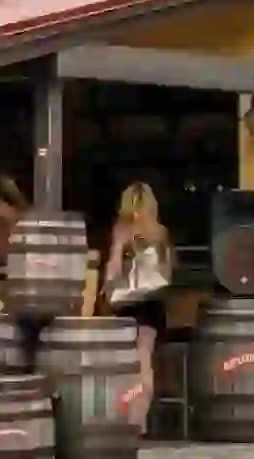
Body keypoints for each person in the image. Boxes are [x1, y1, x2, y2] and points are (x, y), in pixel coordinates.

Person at [105, 182, 171, 434]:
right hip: (153, 305)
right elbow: (168, 271)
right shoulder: (161, 232)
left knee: (126, 366)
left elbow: (112, 274)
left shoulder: (122, 232)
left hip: (127, 306)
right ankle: (139, 422)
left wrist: (118, 248)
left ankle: (130, 421)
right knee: (144, 363)